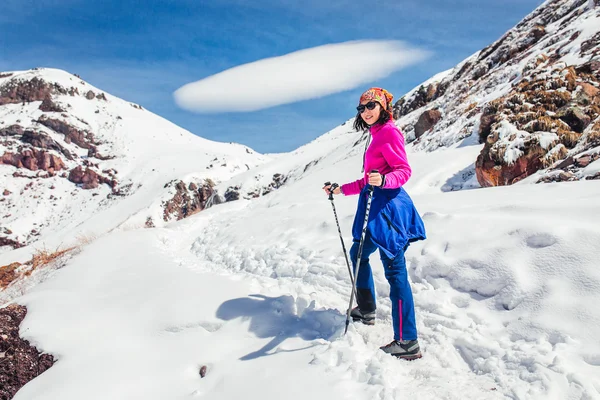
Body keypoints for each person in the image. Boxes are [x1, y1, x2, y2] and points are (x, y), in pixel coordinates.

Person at [323, 87, 426, 360]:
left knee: (395, 272)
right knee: (358, 253)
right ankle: (367, 309)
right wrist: (339, 190)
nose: (366, 111)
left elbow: (402, 171)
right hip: (373, 211)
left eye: (371, 106)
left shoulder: (389, 132)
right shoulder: (376, 135)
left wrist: (384, 180)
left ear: (383, 108)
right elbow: (368, 179)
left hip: (388, 213)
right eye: (362, 108)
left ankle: (407, 340)